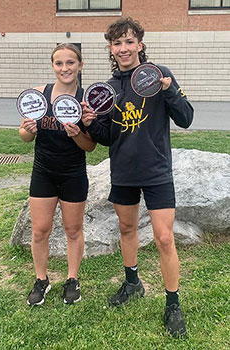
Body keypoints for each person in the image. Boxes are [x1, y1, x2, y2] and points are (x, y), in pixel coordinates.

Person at [82, 17, 193, 337]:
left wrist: (169, 90)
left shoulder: (159, 76)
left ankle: (173, 303)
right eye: (117, 43)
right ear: (111, 49)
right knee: (127, 228)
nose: (123, 48)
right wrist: (90, 122)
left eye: (129, 41)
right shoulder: (108, 89)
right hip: (125, 171)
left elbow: (186, 118)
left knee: (164, 237)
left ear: (140, 45)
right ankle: (133, 283)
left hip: (157, 171)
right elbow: (107, 137)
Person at [19, 43, 96, 306]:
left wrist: (78, 135)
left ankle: (72, 279)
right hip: (43, 172)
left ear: (80, 65)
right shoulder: (39, 95)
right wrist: (30, 129)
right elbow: (24, 137)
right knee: (40, 230)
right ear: (53, 66)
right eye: (59, 63)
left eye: (70, 63)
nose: (65, 68)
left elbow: (91, 146)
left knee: (73, 230)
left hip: (73, 173)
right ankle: (41, 279)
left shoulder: (86, 100)